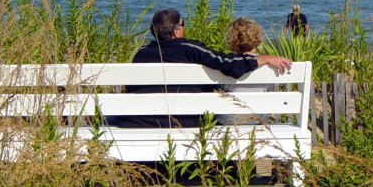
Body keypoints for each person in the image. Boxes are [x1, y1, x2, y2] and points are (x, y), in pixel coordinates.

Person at [120, 8, 291, 127]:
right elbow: (231, 66)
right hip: (186, 121)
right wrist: (266, 58)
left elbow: (132, 87)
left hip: (142, 120)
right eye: (183, 23)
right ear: (176, 31)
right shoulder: (191, 49)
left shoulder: (141, 54)